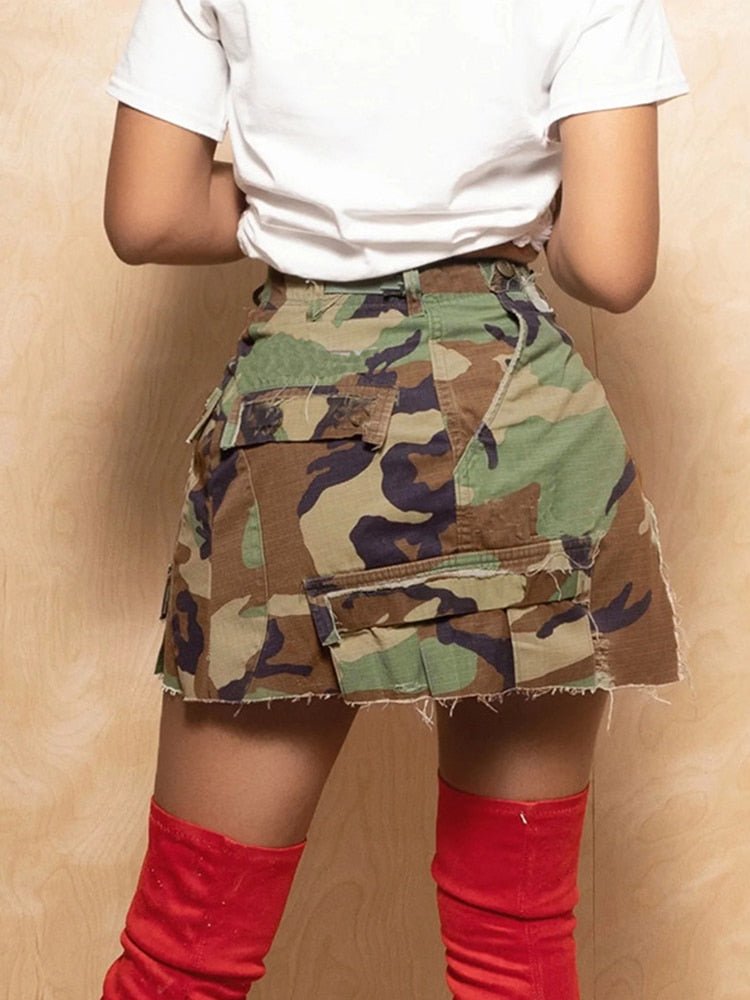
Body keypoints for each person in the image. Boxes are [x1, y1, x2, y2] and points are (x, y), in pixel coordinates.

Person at [98, 1, 690, 997]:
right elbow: (610, 262)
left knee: (183, 955)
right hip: (523, 430)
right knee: (514, 948)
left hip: (295, 431)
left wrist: (301, 197)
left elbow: (148, 214)